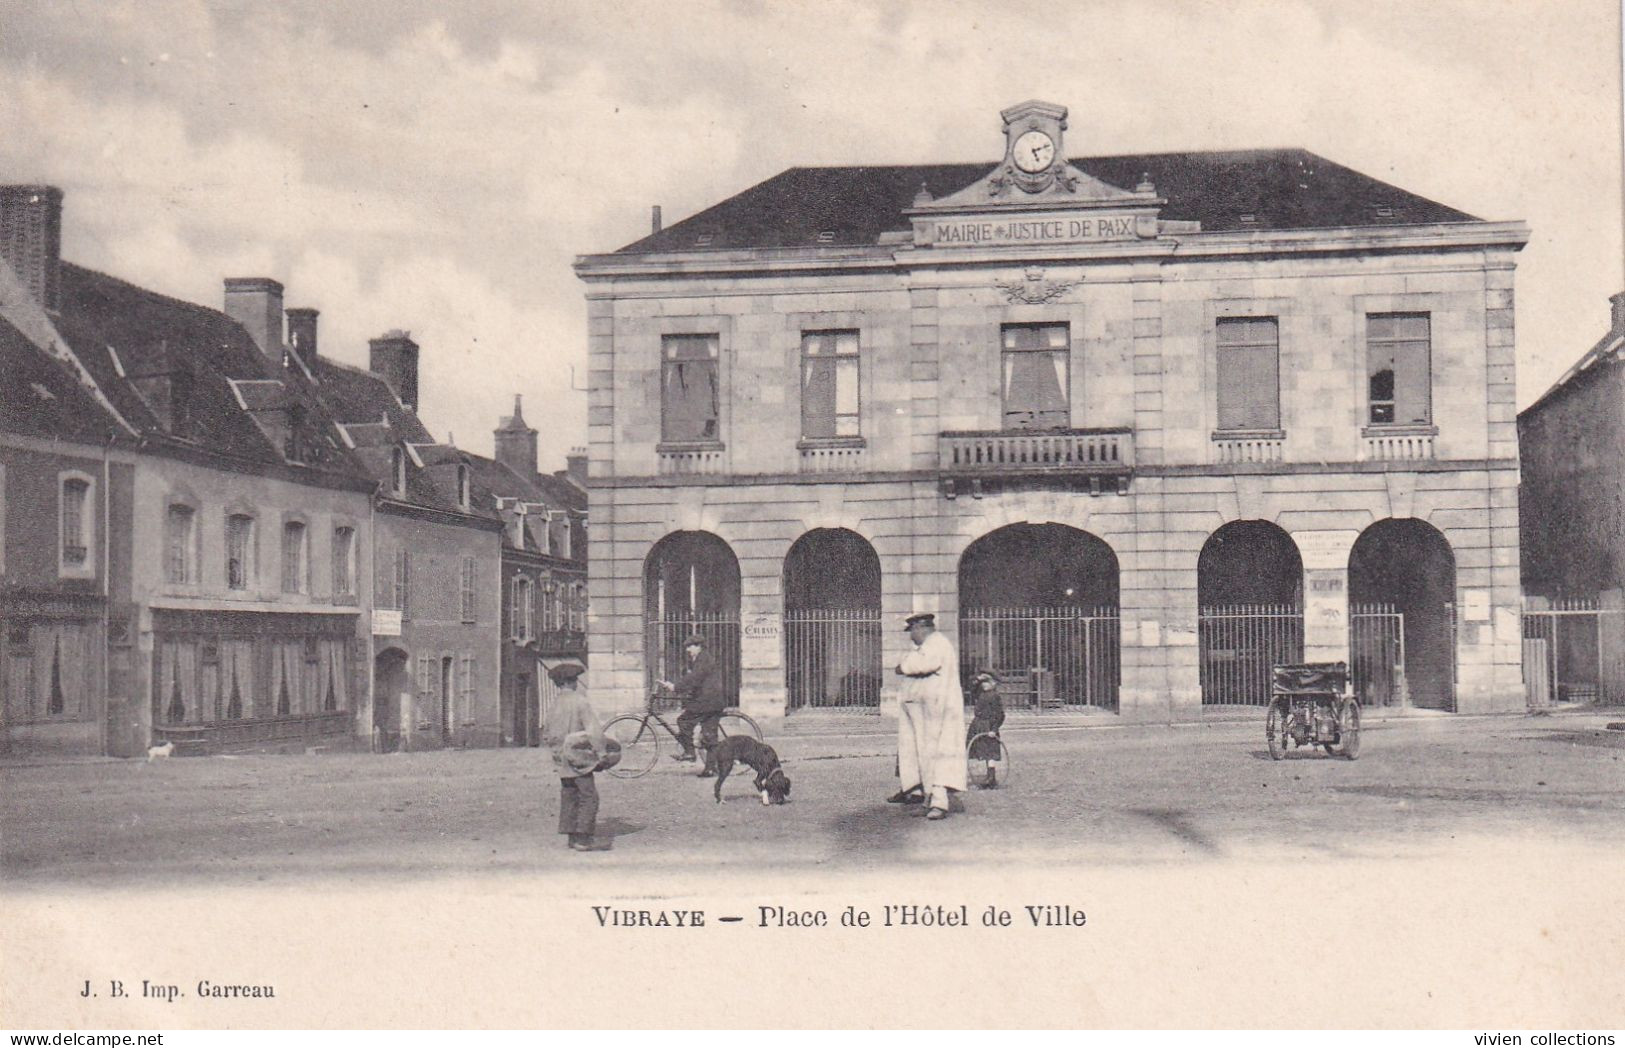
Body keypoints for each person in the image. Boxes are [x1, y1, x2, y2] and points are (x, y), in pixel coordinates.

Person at [889, 611, 967, 820]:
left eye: (912, 631)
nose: (911, 636)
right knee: (924, 754)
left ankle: (938, 803)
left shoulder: (936, 644)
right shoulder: (928, 645)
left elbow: (920, 665)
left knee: (934, 754)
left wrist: (902, 667)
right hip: (926, 709)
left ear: (920, 628)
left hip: (936, 711)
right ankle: (926, 797)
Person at [542, 662, 612, 852]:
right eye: (575, 680)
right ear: (571, 682)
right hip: (579, 759)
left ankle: (571, 837)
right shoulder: (580, 701)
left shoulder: (554, 704)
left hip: (561, 758)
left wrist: (557, 753)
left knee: (569, 795)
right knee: (588, 796)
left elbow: (547, 733)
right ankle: (583, 838)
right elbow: (593, 730)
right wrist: (602, 753)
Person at [662, 633, 725, 772]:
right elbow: (694, 680)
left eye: (690, 647)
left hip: (708, 703)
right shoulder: (702, 659)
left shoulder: (704, 659)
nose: (687, 650)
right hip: (709, 701)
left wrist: (676, 687)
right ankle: (710, 768)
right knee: (709, 736)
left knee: (684, 721)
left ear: (699, 646)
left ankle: (690, 752)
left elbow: (694, 678)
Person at [966, 670, 1006, 788]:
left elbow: (1000, 715)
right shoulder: (980, 693)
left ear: (993, 683)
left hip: (989, 726)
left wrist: (994, 729)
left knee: (990, 753)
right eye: (983, 683)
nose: (984, 685)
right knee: (983, 752)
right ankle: (989, 776)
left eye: (987, 682)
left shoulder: (995, 696)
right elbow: (970, 686)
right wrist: (978, 678)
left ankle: (991, 777)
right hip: (978, 725)